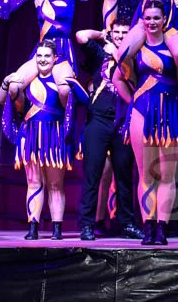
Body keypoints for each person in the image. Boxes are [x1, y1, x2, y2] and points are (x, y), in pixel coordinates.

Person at [111, 0, 178, 245]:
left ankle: (161, 229)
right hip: (142, 111)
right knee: (146, 174)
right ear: (142, 20)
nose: (152, 22)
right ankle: (148, 227)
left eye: (156, 17)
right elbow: (118, 78)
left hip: (171, 109)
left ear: (164, 19)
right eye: (147, 18)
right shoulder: (136, 50)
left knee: (167, 175)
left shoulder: (175, 46)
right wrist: (135, 101)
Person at [0, 41, 85, 241]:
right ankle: (33, 227)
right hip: (30, 134)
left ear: (55, 59)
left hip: (54, 134)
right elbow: (2, 100)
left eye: (47, 56)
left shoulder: (61, 82)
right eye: (39, 56)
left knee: (55, 184)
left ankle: (57, 228)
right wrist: (7, 83)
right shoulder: (28, 81)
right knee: (33, 182)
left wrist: (68, 87)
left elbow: (73, 105)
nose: (43, 60)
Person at [0, 0, 90, 109]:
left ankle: (66, 123)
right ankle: (23, 116)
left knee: (64, 90)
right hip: (42, 51)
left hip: (62, 51)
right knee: (14, 86)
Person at [74, 22, 144, 241]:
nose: (120, 36)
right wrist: (101, 35)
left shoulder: (136, 55)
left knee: (124, 175)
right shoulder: (100, 52)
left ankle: (128, 224)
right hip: (98, 120)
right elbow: (81, 35)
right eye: (117, 32)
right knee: (92, 174)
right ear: (111, 34)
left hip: (123, 121)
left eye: (125, 33)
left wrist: (119, 52)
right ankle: (87, 224)